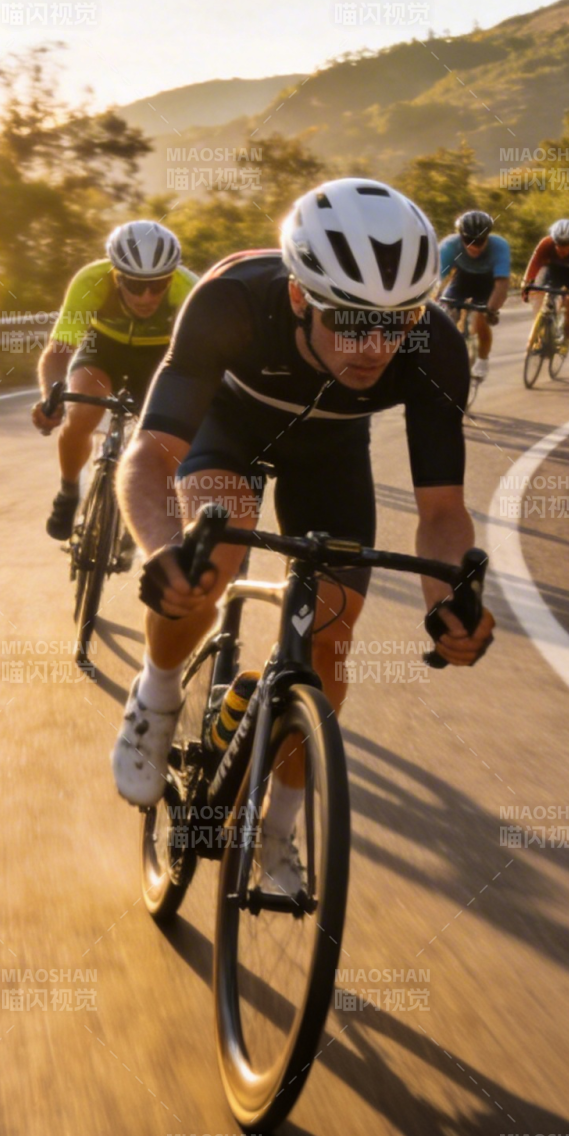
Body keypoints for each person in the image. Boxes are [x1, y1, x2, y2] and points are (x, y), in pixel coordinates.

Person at [111, 179, 495, 891]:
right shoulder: (232, 300)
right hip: (230, 434)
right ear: (298, 297)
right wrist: (162, 546)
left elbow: (442, 512)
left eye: (397, 321)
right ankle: (156, 696)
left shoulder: (434, 345)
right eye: (349, 321)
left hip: (331, 456)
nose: (376, 346)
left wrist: (450, 601)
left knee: (332, 636)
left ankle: (279, 829)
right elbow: (151, 454)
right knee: (210, 562)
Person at [32, 220, 197, 545]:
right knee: (82, 410)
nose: (147, 296)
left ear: (171, 278)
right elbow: (59, 350)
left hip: (160, 357)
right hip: (103, 351)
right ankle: (68, 492)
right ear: (116, 274)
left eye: (159, 284)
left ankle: (138, 502)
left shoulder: (189, 289)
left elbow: (200, 362)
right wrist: (50, 399)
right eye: (135, 286)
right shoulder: (92, 280)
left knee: (166, 438)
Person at [436, 210, 511, 382]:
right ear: (461, 236)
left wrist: (491, 310)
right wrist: (433, 300)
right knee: (444, 315)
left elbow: (501, 284)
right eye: (469, 241)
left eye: (479, 241)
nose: (474, 246)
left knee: (481, 319)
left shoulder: (499, 246)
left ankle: (483, 360)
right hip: (462, 279)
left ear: (488, 237)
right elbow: (435, 278)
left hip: (488, 283)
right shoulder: (450, 245)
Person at [519, 218, 569, 355]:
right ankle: (540, 331)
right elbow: (534, 264)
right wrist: (526, 284)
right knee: (538, 294)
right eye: (559, 245)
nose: (562, 249)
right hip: (554, 271)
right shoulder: (546, 243)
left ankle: (566, 339)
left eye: (566, 245)